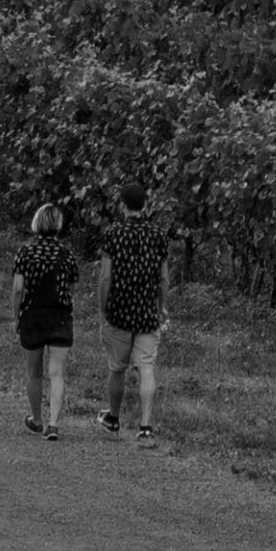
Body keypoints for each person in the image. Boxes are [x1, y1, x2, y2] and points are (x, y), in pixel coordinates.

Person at [95, 179, 169, 444]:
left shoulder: (113, 234)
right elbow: (163, 279)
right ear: (146, 205)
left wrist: (104, 310)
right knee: (146, 367)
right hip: (147, 311)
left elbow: (105, 276)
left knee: (117, 368)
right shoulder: (158, 236)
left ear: (122, 206)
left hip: (119, 311)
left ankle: (113, 417)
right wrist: (160, 308)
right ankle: (146, 425)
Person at [12, 202, 77, 439]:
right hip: (60, 316)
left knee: (33, 371)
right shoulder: (67, 254)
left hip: (33, 315)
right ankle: (54, 424)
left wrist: (16, 316)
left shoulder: (25, 252)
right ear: (58, 225)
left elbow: (18, 289)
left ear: (37, 222)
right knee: (57, 372)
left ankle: (37, 419)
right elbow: (70, 288)